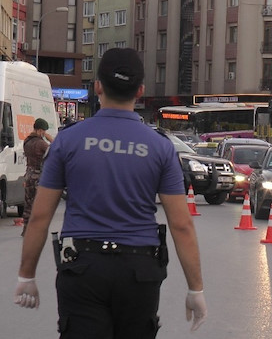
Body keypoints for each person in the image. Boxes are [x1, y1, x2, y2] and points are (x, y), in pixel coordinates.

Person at [14, 48, 207, 337]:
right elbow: (181, 224)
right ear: (140, 91)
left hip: (83, 268)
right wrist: (195, 288)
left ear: (98, 86)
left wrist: (26, 275)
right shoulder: (161, 148)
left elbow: (40, 216)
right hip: (139, 271)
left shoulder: (68, 141)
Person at [21, 118, 54, 237]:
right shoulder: (40, 143)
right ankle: (35, 230)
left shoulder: (27, 141)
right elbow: (55, 151)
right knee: (38, 204)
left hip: (28, 174)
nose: (44, 133)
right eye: (44, 131)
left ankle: (26, 228)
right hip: (38, 176)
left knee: (28, 203)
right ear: (40, 130)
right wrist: (51, 140)